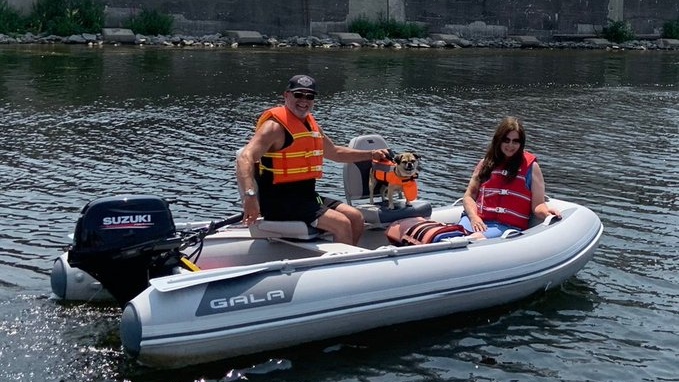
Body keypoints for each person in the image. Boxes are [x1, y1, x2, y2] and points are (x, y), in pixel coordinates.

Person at [236, 74, 389, 245]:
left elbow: (335, 153)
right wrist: (250, 196)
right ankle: (339, 268)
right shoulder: (274, 127)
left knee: (355, 217)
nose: (304, 100)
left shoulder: (310, 125)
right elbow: (245, 157)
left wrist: (371, 154)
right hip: (280, 202)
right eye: (298, 95)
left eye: (309, 96)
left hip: (306, 197)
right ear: (286, 95)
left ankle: (346, 260)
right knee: (341, 223)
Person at [460, 116, 561, 239]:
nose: (510, 145)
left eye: (515, 141)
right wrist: (474, 217)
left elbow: (538, 204)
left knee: (476, 238)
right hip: (475, 222)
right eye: (506, 140)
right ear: (499, 140)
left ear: (521, 143)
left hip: (506, 229)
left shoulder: (532, 168)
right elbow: (469, 196)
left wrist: (546, 213)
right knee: (449, 235)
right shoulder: (485, 164)